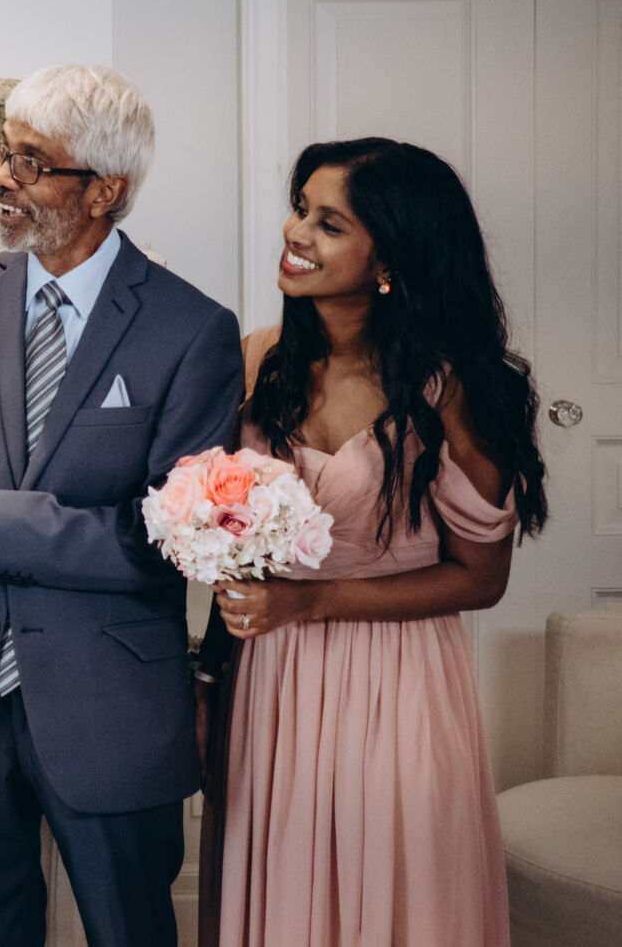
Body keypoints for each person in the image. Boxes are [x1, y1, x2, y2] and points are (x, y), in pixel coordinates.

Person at [0, 64, 244, 947]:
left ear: (104, 190)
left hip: (110, 708)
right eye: (2, 152)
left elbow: (171, 538)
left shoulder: (191, 330)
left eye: (30, 162)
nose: (0, 178)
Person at [209, 138, 545, 947]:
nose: (296, 234)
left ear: (389, 257)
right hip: (273, 680)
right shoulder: (257, 360)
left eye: (329, 224)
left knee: (394, 893)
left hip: (396, 681)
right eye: (300, 209)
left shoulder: (454, 386)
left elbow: (480, 578)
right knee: (285, 883)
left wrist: (312, 601)